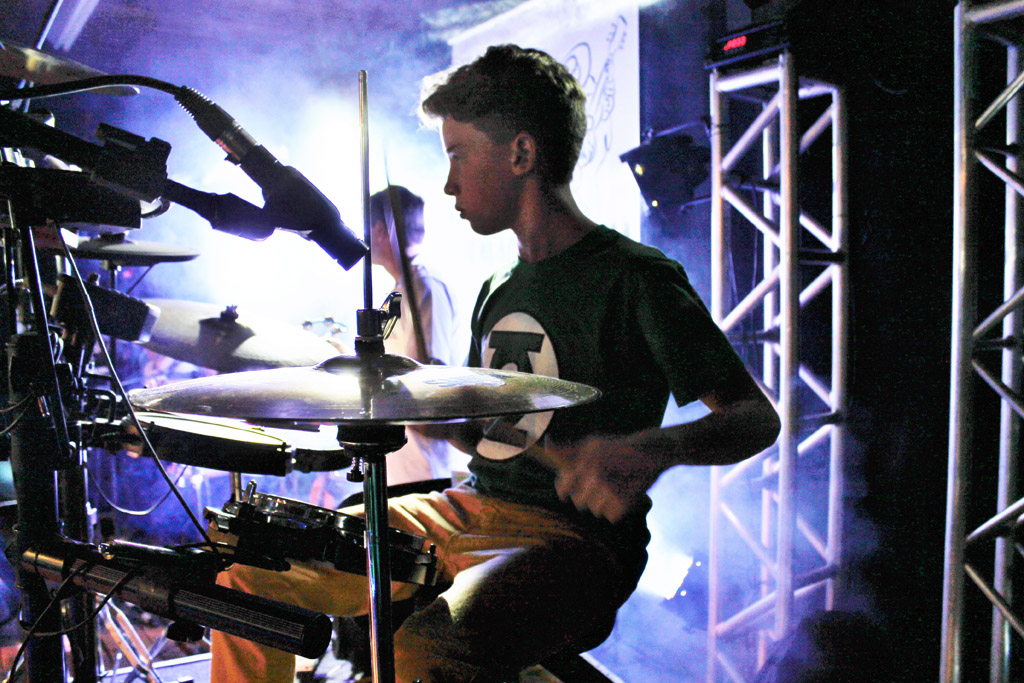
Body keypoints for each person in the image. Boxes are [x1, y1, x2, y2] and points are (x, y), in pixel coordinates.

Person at [209, 44, 780, 683]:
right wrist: (414, 402)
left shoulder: (636, 278)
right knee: (249, 575)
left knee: (425, 651)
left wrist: (650, 449)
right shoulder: (497, 287)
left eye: (457, 155)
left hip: (571, 541)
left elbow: (755, 418)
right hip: (465, 508)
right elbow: (487, 433)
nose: (448, 183)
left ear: (521, 154)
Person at [366, 184, 465, 484]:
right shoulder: (401, 291)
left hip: (422, 472)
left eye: (367, 228)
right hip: (400, 468)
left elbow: (429, 378)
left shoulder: (425, 287)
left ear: (380, 230)